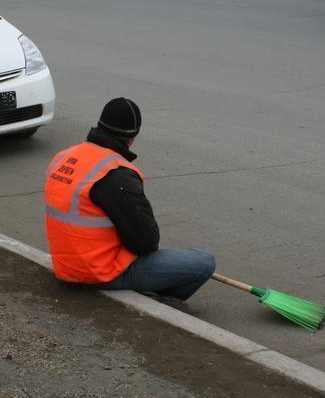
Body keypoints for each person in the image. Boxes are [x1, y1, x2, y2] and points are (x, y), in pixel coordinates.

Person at [44, 98, 215, 301]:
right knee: (204, 263)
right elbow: (146, 243)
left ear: (100, 124)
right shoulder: (116, 173)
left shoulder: (65, 156)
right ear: (132, 137)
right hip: (99, 273)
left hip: (66, 266)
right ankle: (161, 300)